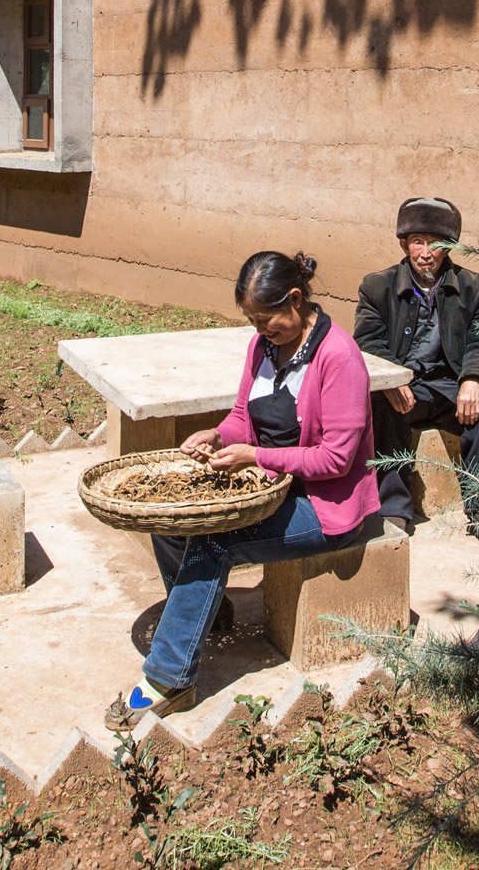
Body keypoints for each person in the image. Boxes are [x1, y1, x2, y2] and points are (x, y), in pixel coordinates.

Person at [108, 250, 379, 729]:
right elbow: (242, 416)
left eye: (266, 319)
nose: (260, 330)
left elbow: (335, 459)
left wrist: (256, 457)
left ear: (294, 299)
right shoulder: (264, 347)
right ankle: (206, 616)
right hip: (269, 486)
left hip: (324, 505)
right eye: (252, 321)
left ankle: (169, 678)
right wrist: (217, 436)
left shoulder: (339, 357)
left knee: (214, 539)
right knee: (170, 517)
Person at [356, 197, 479, 555]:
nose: (426, 253)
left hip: (450, 386)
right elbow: (367, 342)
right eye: (418, 242)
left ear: (449, 248)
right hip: (405, 386)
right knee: (380, 405)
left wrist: (474, 378)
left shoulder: (475, 287)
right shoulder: (376, 287)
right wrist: (393, 379)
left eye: (436, 243)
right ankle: (392, 508)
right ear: (404, 245)